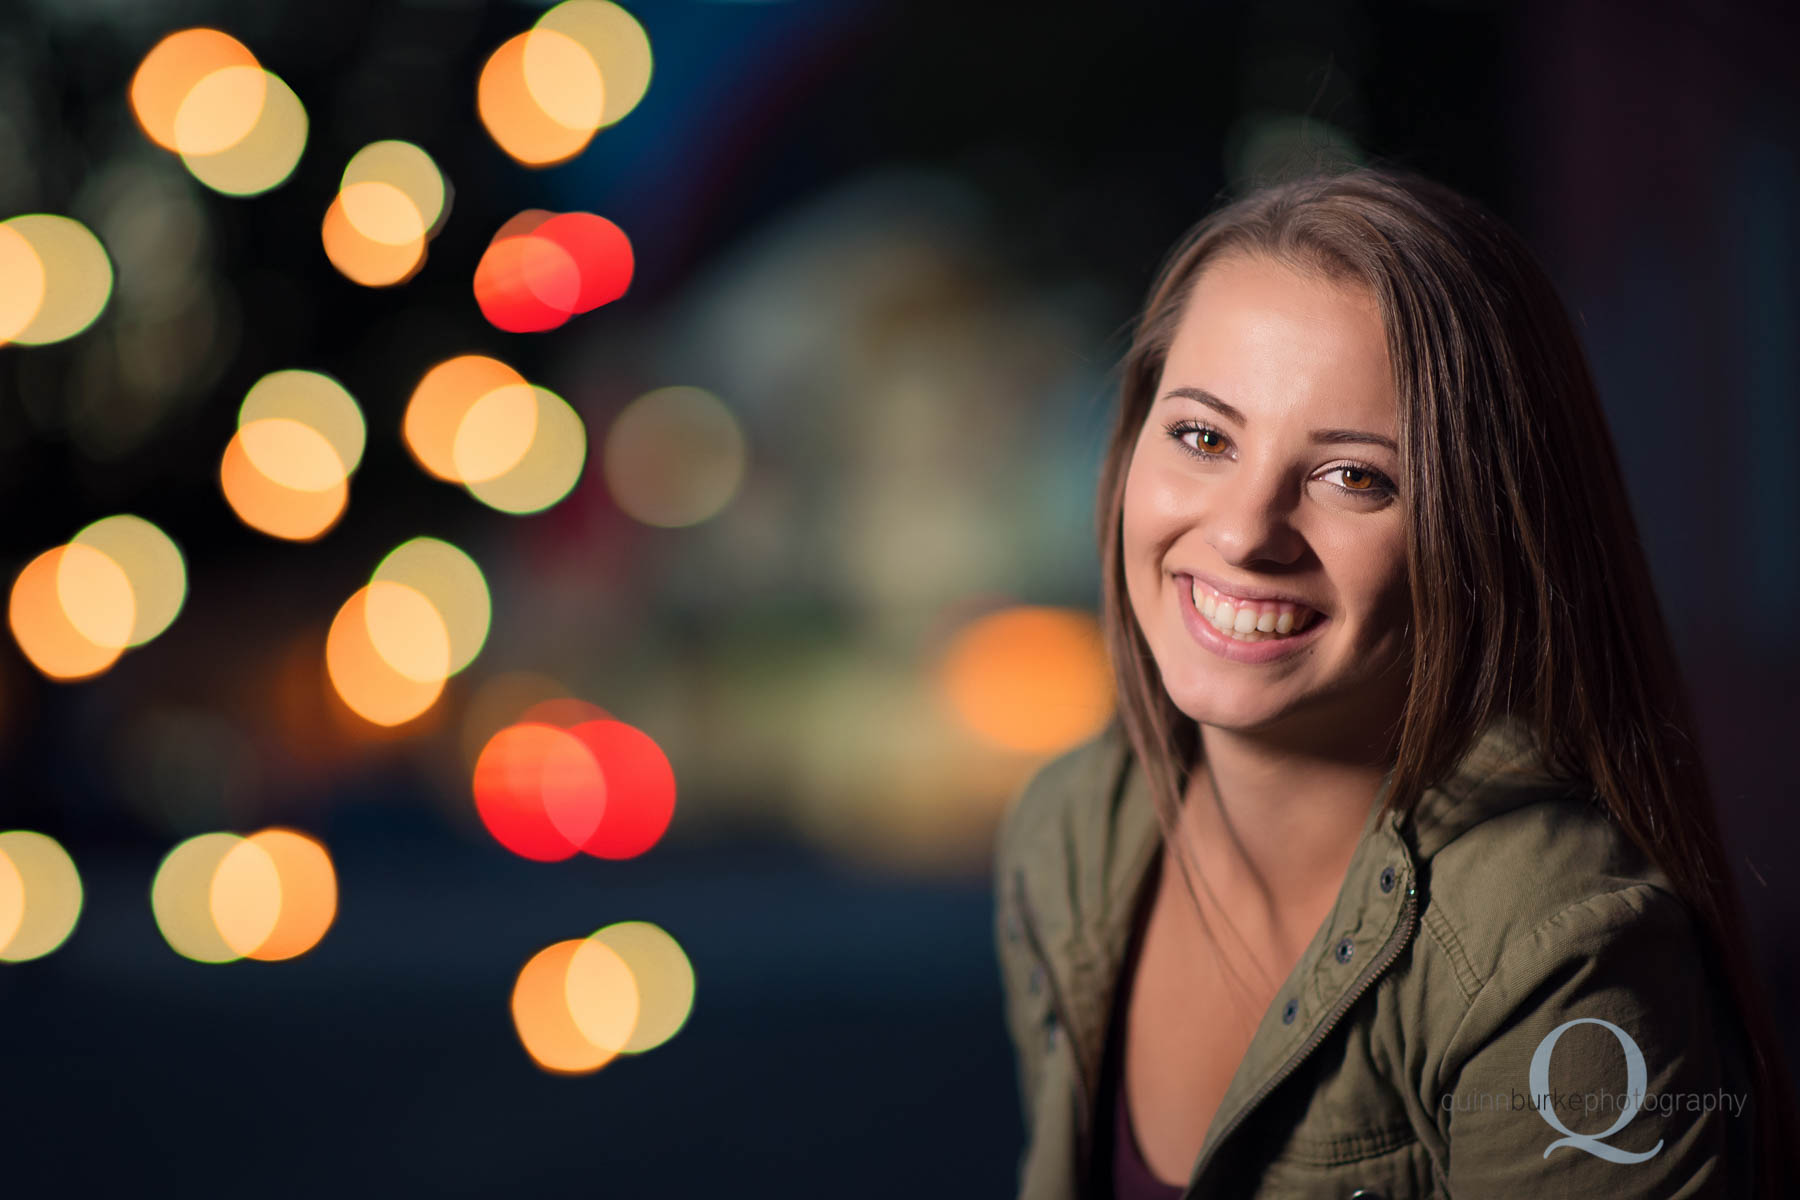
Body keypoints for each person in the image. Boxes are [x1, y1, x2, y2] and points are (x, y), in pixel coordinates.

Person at [992, 165, 1798, 1199]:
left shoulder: (1559, 951)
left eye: (1355, 476)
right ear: (1131, 444)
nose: (1244, 533)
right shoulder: (1067, 836)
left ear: (1485, 532)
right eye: (1202, 436)